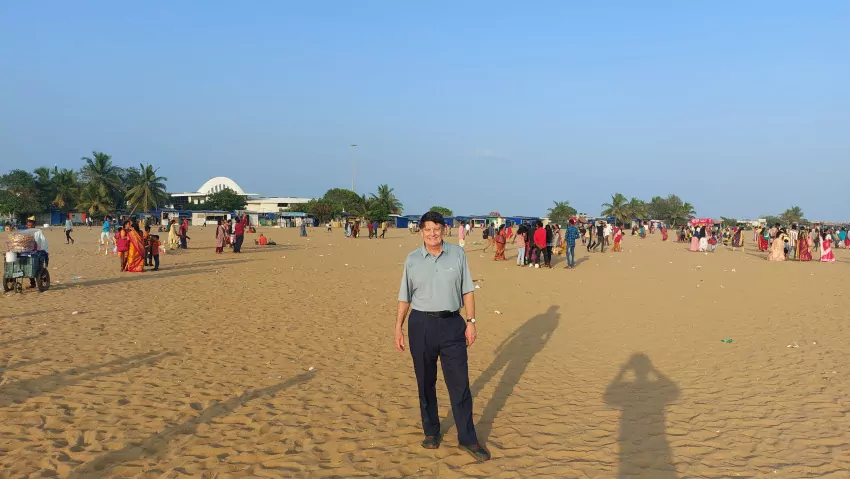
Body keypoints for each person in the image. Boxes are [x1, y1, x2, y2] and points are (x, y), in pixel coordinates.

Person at [394, 211, 490, 462]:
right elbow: (405, 296)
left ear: (444, 230)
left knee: (459, 384)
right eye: (427, 229)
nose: (432, 234)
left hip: (452, 325)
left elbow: (467, 290)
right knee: (425, 382)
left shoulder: (457, 254)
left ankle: (468, 438)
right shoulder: (412, 259)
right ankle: (431, 432)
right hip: (421, 324)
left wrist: (471, 322)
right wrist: (398, 327)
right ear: (421, 232)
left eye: (436, 229)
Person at [23, 217, 49, 289]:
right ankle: (32, 283)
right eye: (29, 225)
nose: (30, 227)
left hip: (37, 252)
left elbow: (44, 241)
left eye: (31, 225)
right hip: (28, 252)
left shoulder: (39, 231)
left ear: (34, 225)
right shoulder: (25, 232)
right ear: (26, 226)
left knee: (37, 267)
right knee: (28, 267)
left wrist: (46, 251)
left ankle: (40, 279)